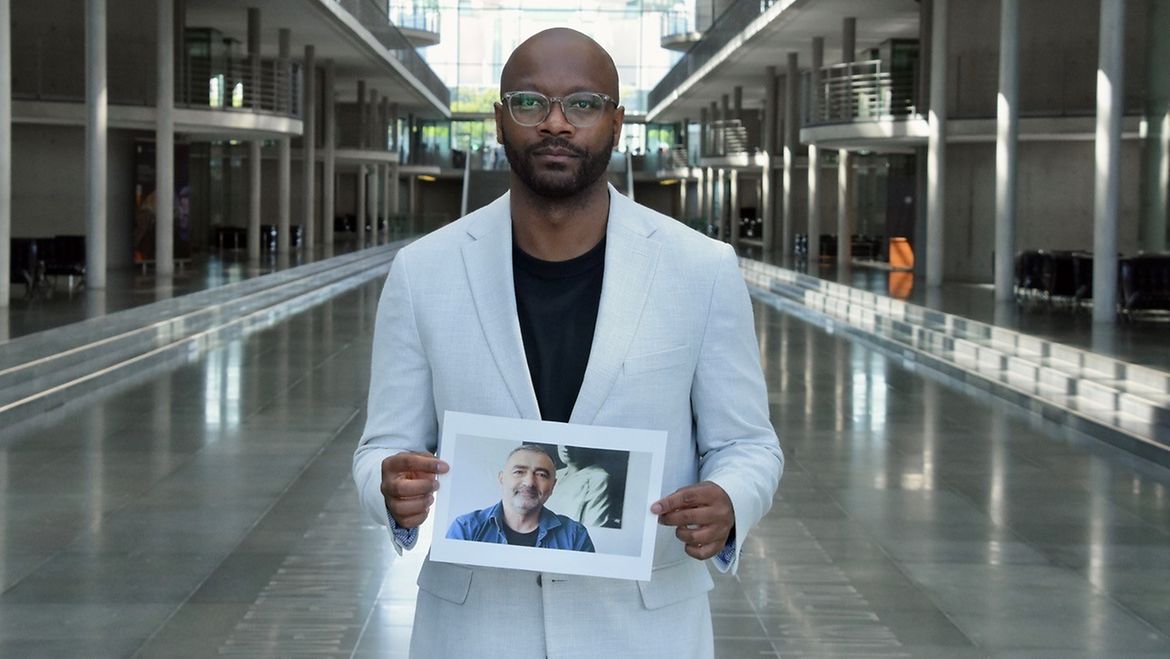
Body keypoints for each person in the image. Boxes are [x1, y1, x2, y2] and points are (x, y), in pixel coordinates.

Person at [353, 27, 782, 658]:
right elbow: (383, 446)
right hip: (475, 634)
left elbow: (747, 444)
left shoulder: (700, 270)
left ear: (616, 122)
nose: (555, 123)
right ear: (500, 121)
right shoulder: (425, 271)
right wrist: (388, 487)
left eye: (582, 104)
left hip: (642, 633)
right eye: (530, 103)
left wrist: (729, 501)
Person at [446, 444, 594, 551]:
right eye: (519, 472)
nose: (529, 482)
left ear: (553, 485)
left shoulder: (575, 536)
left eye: (541, 475)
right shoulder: (465, 529)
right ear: (502, 479)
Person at [545, 445, 616, 528]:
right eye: (562, 441)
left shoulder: (598, 478)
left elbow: (593, 524)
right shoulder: (557, 475)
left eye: (573, 442)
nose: (566, 447)